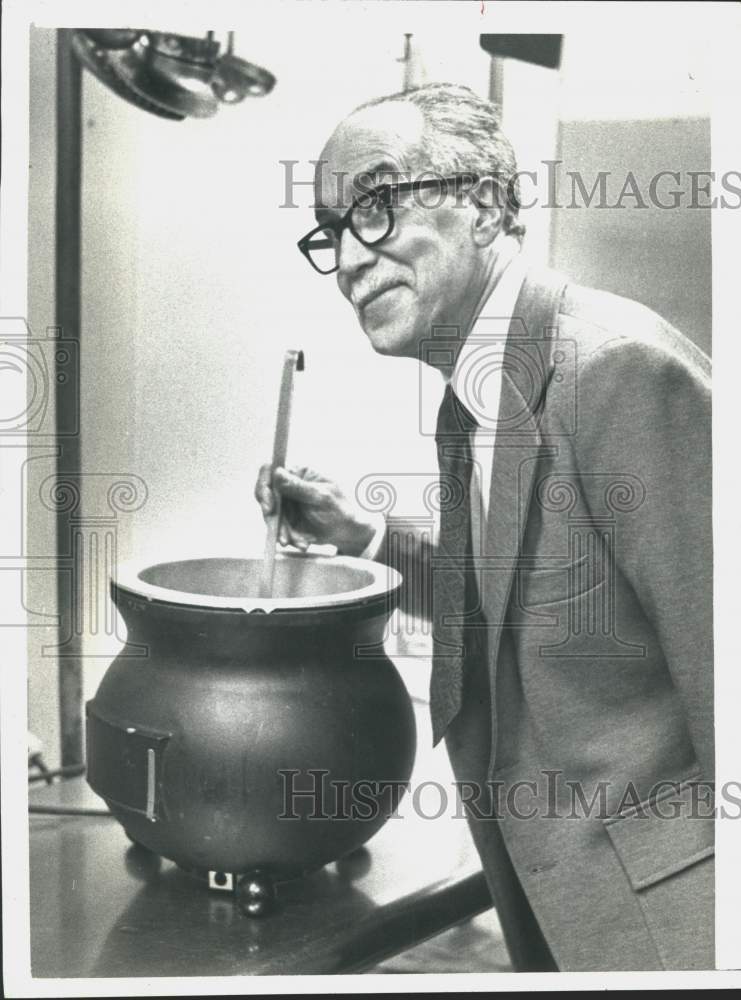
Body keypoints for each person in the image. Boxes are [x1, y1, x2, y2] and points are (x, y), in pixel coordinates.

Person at [254, 83, 713, 972]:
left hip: (677, 919)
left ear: (484, 202)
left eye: (376, 206)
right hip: (556, 900)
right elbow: (521, 612)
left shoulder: (614, 370)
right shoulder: (477, 399)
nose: (349, 257)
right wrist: (365, 539)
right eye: (330, 230)